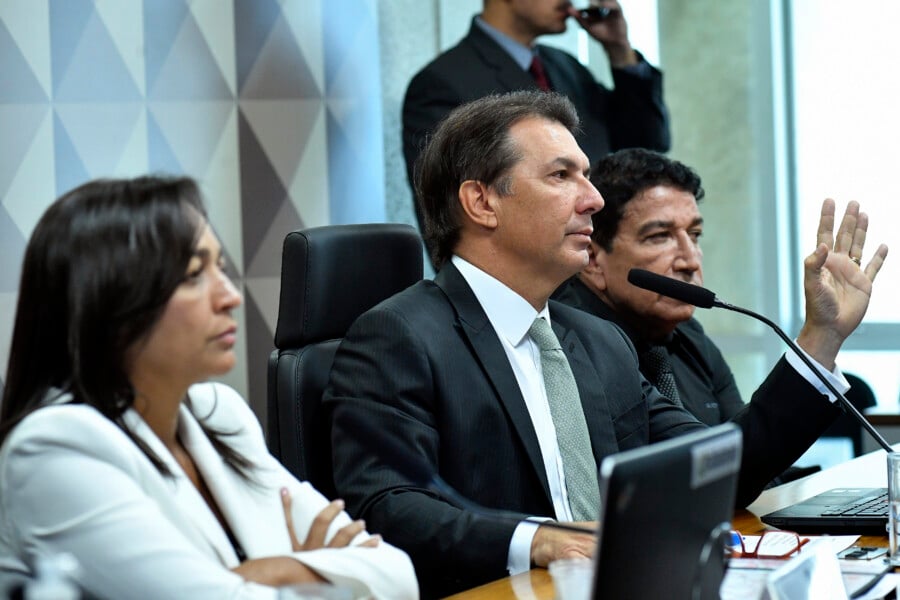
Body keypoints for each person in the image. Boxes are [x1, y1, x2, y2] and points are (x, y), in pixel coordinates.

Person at [324, 90, 887, 597]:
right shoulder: (399, 334)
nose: (592, 198)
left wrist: (820, 338)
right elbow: (386, 507)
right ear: (482, 202)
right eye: (562, 176)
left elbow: (721, 466)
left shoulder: (597, 341)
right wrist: (541, 539)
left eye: (587, 175)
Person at [0, 177, 418, 599]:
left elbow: (398, 575)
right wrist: (321, 573)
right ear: (112, 304)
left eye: (219, 267)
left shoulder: (217, 411)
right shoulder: (55, 449)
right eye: (194, 275)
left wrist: (277, 571)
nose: (229, 296)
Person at [554, 148, 878, 428]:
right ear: (594, 259)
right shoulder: (576, 344)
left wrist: (827, 333)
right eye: (659, 237)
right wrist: (819, 337)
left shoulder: (691, 338)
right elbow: (722, 467)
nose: (690, 261)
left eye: (694, 235)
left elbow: (751, 463)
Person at [402, 0, 670, 231]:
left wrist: (619, 50)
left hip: (602, 265)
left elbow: (647, 144)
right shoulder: (443, 83)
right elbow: (448, 220)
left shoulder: (567, 67)